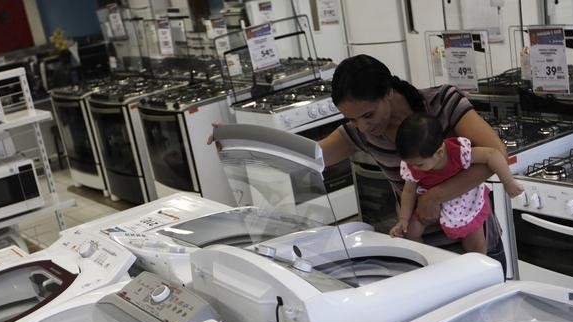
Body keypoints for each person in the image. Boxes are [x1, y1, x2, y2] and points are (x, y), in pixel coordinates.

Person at [210, 54, 518, 268]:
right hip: (423, 253)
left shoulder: (442, 104)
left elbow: (495, 154)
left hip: (477, 241)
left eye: (368, 115)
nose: (363, 127)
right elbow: (308, 156)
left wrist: (436, 196)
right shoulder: (361, 132)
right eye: (352, 119)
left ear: (388, 92)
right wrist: (240, 137)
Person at [391, 113, 523, 254]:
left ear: (439, 153)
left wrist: (508, 182)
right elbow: (409, 192)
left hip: (465, 199)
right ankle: (428, 259)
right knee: (410, 231)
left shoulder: (458, 152)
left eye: (419, 164)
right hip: (430, 200)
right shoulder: (413, 163)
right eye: (411, 164)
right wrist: (403, 219)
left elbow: (493, 155)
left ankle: (479, 270)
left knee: (475, 244)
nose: (414, 168)